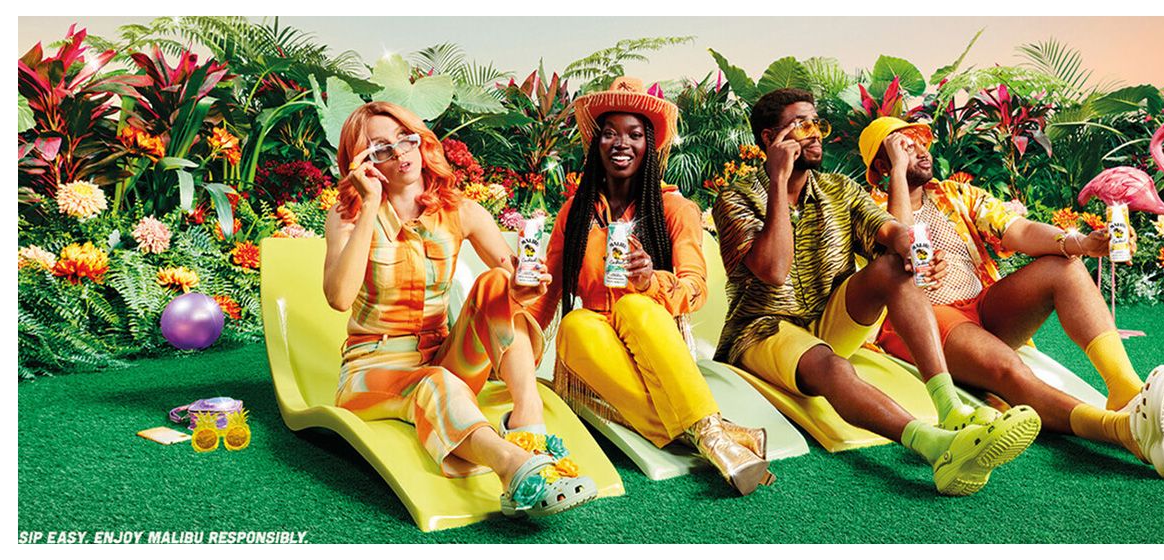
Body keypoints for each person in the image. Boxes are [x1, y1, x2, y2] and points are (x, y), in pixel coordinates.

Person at [712, 88, 1041, 496]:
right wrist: (778, 182)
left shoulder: (840, 189)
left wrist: (916, 251)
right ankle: (936, 447)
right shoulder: (735, 198)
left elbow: (889, 231)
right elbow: (774, 271)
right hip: (762, 329)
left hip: (829, 318)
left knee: (892, 267)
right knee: (831, 366)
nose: (815, 134)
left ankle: (950, 410)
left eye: (817, 124)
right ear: (769, 139)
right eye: (802, 126)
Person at [861, 116, 1164, 481]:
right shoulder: (868, 208)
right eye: (903, 146)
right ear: (882, 164)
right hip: (924, 323)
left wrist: (1081, 242)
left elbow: (1017, 229)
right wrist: (898, 171)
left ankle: (1128, 392)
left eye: (920, 141)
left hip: (980, 306)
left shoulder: (954, 194)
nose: (918, 149)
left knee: (1065, 267)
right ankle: (1122, 430)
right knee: (1008, 368)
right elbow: (900, 242)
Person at [323, 101, 596, 518]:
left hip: (442, 355)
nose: (399, 153)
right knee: (435, 382)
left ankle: (528, 421)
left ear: (420, 141)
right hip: (372, 368)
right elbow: (339, 297)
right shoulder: (347, 216)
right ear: (361, 163)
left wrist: (525, 284)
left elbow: (515, 285)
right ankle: (512, 466)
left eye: (405, 139)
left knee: (497, 283)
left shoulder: (460, 210)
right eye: (380, 149)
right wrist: (371, 202)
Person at [525, 77, 773, 495]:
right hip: (594, 348)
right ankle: (722, 434)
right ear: (596, 144)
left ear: (650, 145)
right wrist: (517, 354)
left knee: (634, 307)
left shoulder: (674, 207)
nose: (621, 143)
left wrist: (650, 280)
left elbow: (696, 288)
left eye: (634, 134)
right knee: (576, 323)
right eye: (609, 133)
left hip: (655, 339)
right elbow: (548, 291)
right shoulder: (575, 210)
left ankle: (710, 437)